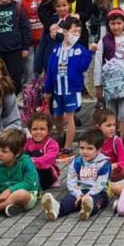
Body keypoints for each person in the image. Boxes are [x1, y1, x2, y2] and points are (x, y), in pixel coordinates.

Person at [45, 16, 93, 153]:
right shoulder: (56, 49)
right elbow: (50, 70)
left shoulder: (80, 50)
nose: (76, 35)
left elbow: (83, 67)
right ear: (65, 31)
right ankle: (60, 137)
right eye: (73, 31)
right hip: (57, 89)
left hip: (71, 89)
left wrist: (90, 53)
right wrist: (47, 90)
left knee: (68, 116)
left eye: (78, 32)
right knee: (57, 116)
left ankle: (68, 145)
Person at [40, 129, 111, 221]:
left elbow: (101, 184)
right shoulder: (77, 162)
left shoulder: (104, 163)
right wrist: (78, 195)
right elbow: (71, 181)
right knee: (68, 200)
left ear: (99, 150)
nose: (85, 151)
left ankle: (87, 209)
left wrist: (87, 196)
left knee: (96, 200)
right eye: (82, 148)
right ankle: (56, 209)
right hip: (79, 190)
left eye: (89, 148)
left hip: (97, 192)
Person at [0, 128, 40, 217]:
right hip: (1, 195)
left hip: (26, 194)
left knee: (20, 194)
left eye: (4, 151)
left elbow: (29, 183)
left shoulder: (26, 162)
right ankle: (8, 207)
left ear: (17, 153)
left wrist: (10, 190)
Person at [92, 10, 124, 133]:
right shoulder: (104, 41)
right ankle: (112, 140)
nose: (116, 26)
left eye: (119, 23)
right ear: (108, 24)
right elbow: (99, 63)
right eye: (113, 23)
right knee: (112, 114)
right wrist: (98, 85)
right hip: (110, 84)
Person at [24, 113, 60, 191]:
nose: (38, 132)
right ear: (30, 130)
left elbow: (49, 159)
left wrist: (32, 161)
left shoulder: (52, 144)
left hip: (47, 173)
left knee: (36, 153)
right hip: (30, 171)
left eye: (42, 129)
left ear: (48, 131)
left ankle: (33, 187)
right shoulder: (27, 142)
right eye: (35, 129)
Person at [93, 107, 124, 182]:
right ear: (98, 127)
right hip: (96, 170)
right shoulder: (92, 140)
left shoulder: (116, 141)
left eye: (114, 125)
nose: (112, 128)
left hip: (112, 170)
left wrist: (114, 165)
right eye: (108, 126)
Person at [19, 0, 44, 82]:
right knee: (28, 69)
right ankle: (28, 94)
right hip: (27, 38)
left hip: (40, 36)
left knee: (38, 67)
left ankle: (37, 93)